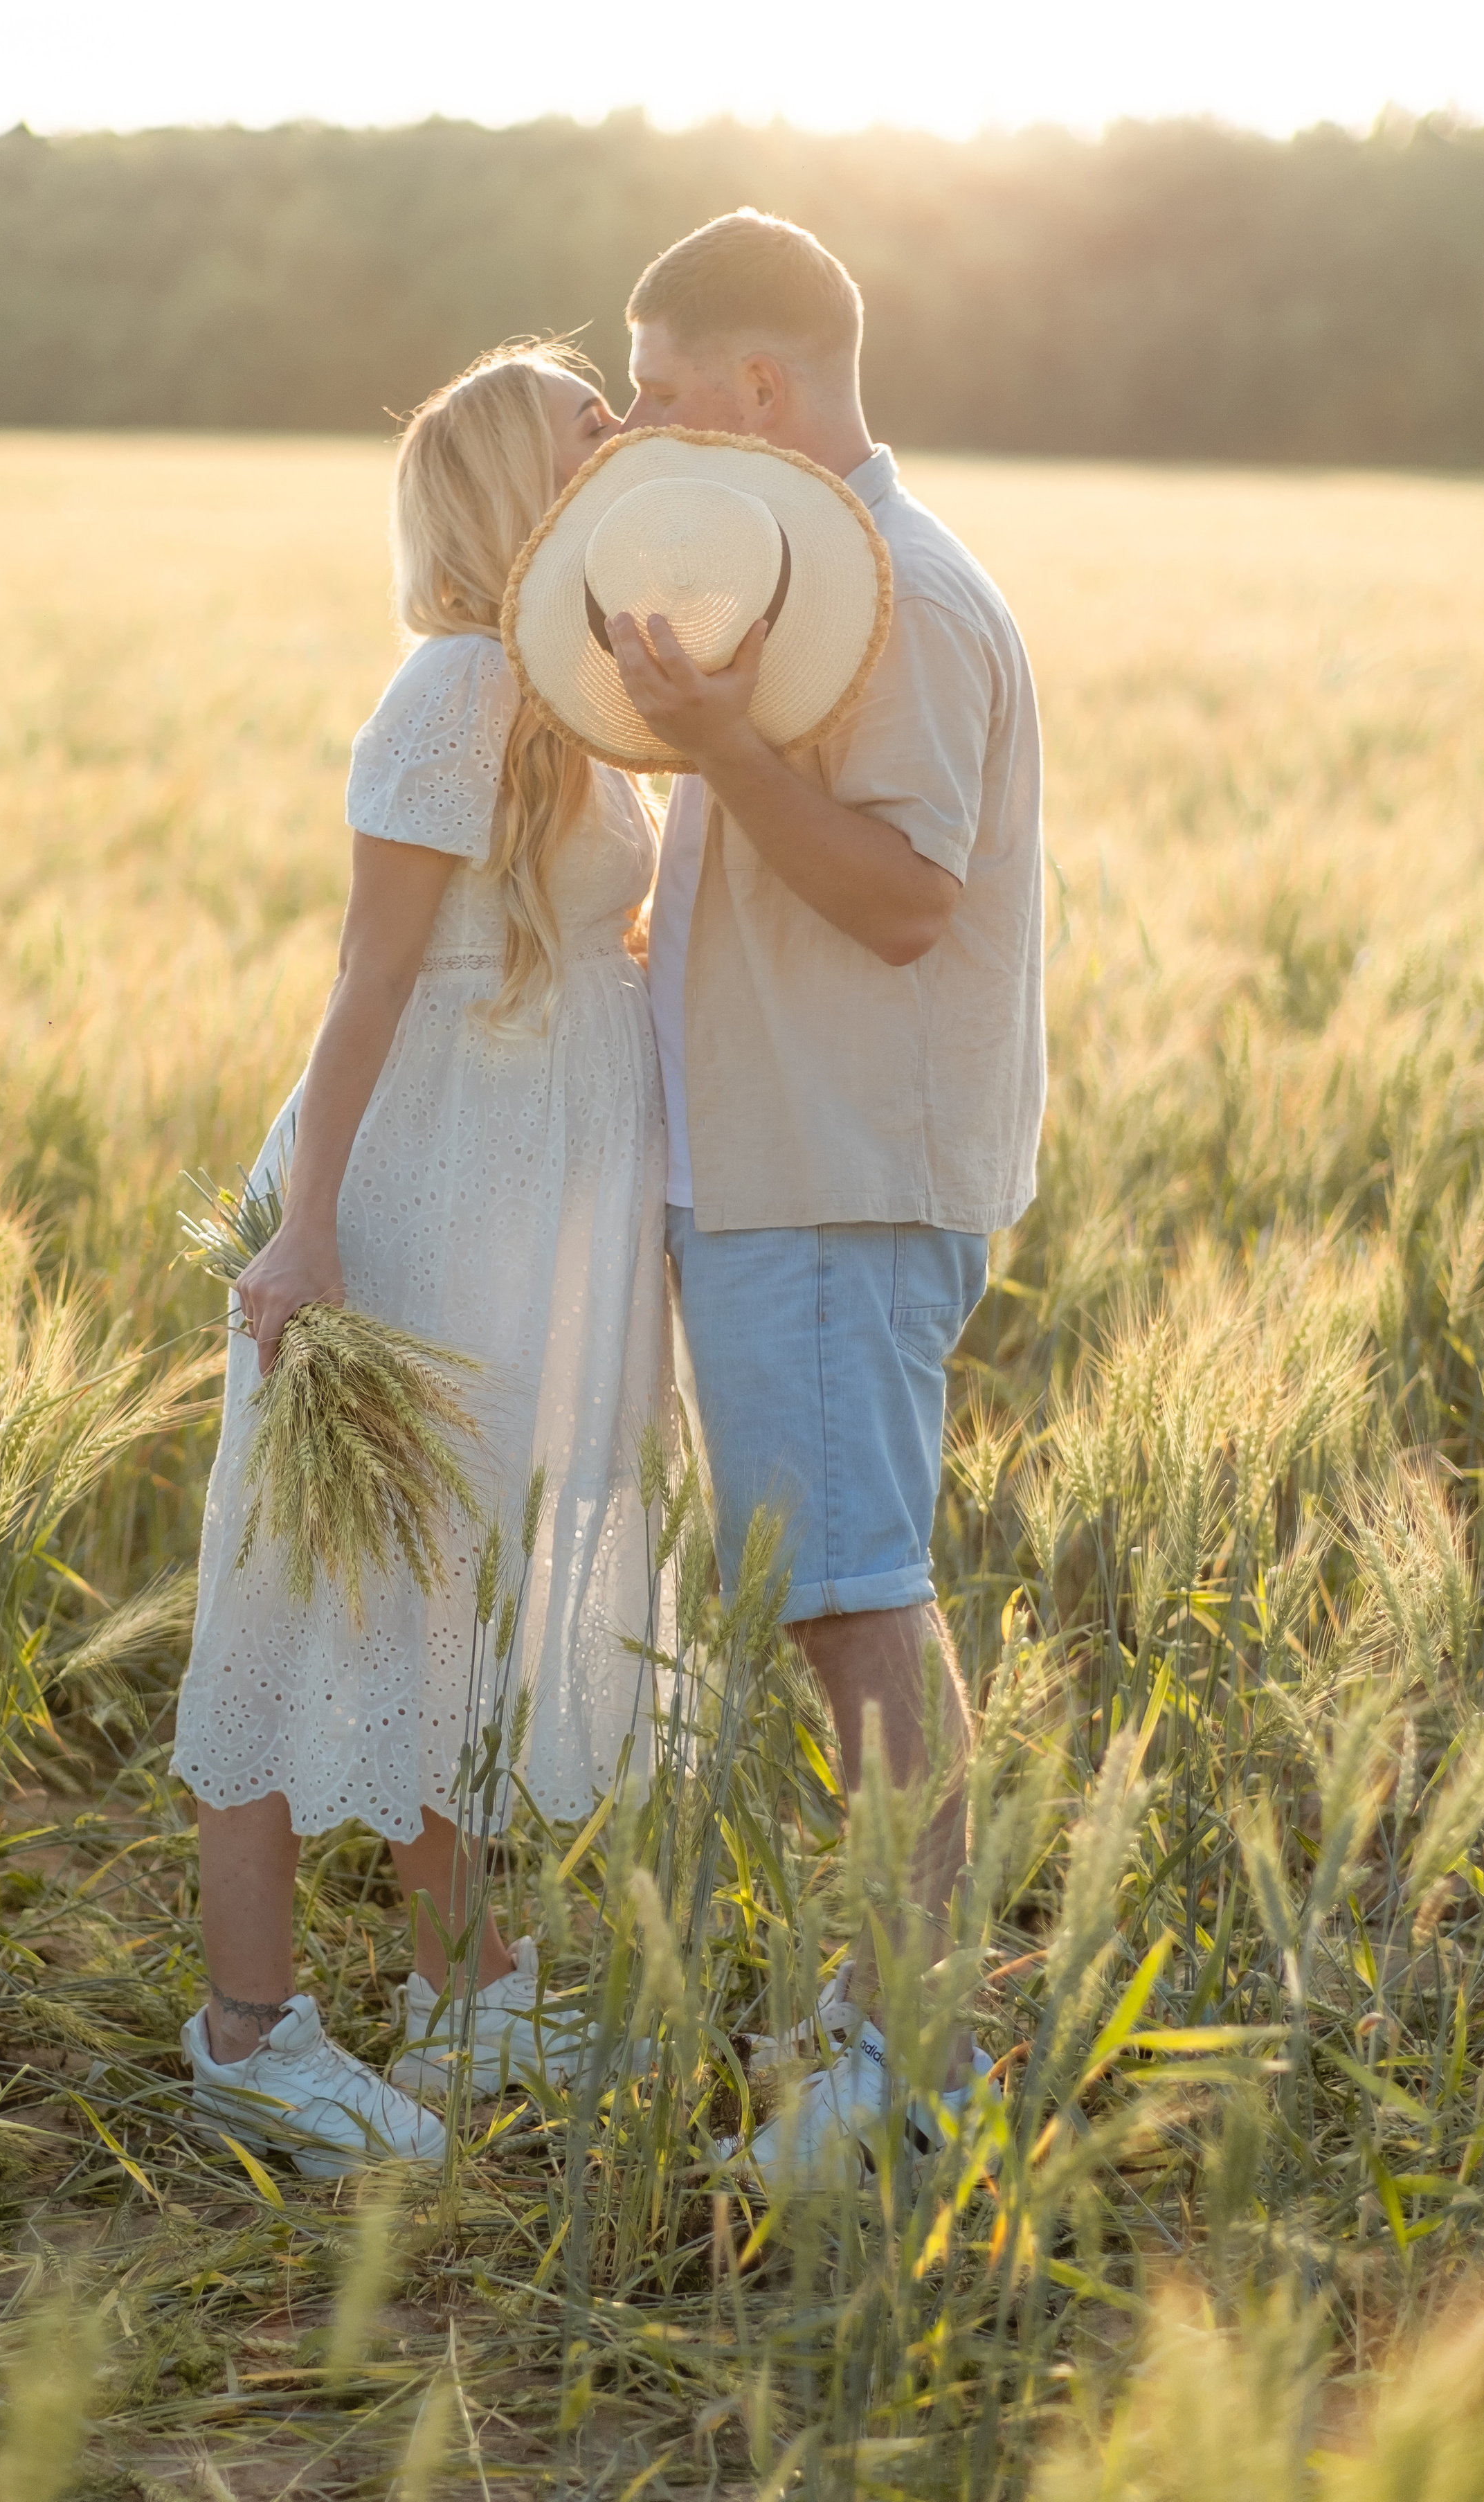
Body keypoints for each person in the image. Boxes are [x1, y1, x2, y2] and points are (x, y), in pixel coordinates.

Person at [171, 344, 671, 2173]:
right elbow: (370, 978)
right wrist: (307, 1228)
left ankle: (467, 1983)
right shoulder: (459, 689)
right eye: (588, 422)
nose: (623, 435)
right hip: (411, 1189)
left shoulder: (571, 678)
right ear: (494, 482)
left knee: (444, 1585)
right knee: (319, 1589)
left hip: (521, 1201)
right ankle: (251, 2034)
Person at [614, 211, 1047, 2172]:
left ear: (762, 388)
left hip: (845, 1177)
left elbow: (901, 899)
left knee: (859, 1605)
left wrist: (721, 746)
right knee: (837, 1598)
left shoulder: (910, 600)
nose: (644, 428)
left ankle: (915, 2061)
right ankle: (893, 2012)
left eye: (664, 391)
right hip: (787, 1165)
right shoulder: (808, 581)